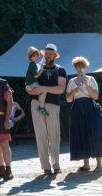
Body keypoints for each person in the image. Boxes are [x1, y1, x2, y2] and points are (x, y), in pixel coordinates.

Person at [66, 55, 102, 173]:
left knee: (95, 133)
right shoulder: (71, 81)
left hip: (90, 107)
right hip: (77, 108)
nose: (80, 69)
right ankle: (86, 165)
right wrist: (73, 91)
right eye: (77, 67)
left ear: (85, 68)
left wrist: (86, 85)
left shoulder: (91, 79)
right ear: (75, 68)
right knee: (81, 134)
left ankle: (99, 165)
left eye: (82, 67)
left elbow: (95, 96)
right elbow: (68, 99)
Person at [27, 43, 67, 176]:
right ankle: (46, 166)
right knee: (41, 136)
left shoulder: (60, 69)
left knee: (54, 136)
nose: (48, 55)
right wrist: (32, 90)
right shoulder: (37, 68)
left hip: (53, 105)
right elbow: (29, 84)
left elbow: (60, 89)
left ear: (55, 55)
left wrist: (44, 89)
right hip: (36, 104)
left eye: (51, 53)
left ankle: (56, 165)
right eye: (46, 53)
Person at [24, 46, 48, 116]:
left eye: (37, 55)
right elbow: (36, 76)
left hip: (30, 85)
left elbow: (41, 63)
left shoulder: (33, 64)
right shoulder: (33, 65)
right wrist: (42, 70)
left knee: (42, 92)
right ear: (31, 57)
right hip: (31, 85)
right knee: (44, 90)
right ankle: (41, 107)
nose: (37, 57)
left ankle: (41, 107)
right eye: (34, 55)